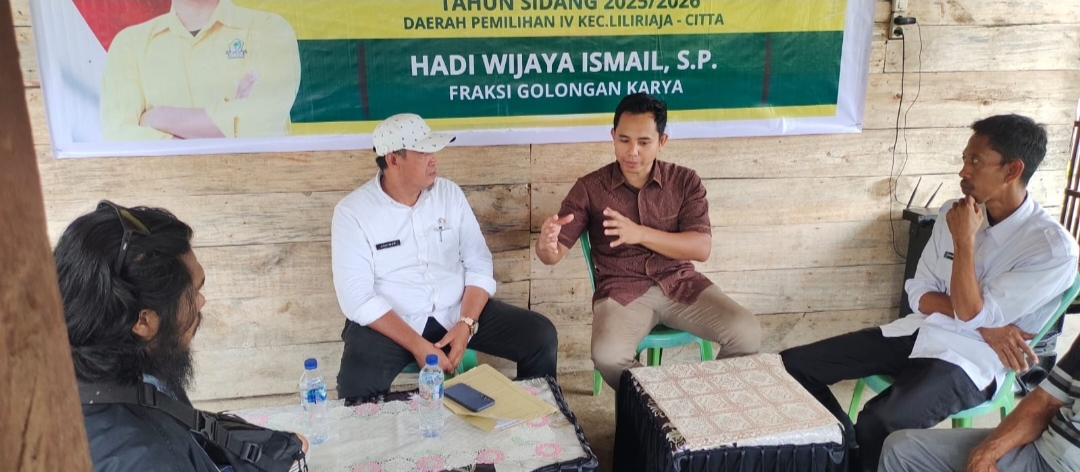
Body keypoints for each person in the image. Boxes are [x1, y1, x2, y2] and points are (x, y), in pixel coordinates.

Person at [780, 114, 1079, 472]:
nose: (963, 171)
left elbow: (970, 312)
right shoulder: (952, 212)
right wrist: (986, 324)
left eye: (975, 161)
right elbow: (919, 293)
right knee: (792, 367)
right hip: (920, 330)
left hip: (970, 360)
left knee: (879, 421)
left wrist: (964, 242)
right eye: (964, 159)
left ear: (1012, 169)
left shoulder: (1051, 249)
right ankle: (847, 451)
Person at [534, 92, 761, 391]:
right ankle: (661, 403)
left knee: (747, 333)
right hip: (622, 293)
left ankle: (702, 402)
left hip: (680, 284)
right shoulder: (590, 188)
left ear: (661, 141)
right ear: (613, 136)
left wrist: (640, 233)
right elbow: (552, 254)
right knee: (608, 356)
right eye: (624, 140)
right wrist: (546, 244)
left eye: (644, 142)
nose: (632, 152)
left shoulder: (685, 181)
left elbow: (701, 247)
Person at [58, 201, 307, 471]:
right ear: (144, 321)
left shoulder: (86, 377)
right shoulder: (151, 459)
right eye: (193, 292)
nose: (201, 302)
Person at [332, 113, 559, 403]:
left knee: (540, 336)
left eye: (433, 151)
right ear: (393, 160)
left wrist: (466, 324)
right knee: (356, 382)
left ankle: (536, 421)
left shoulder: (449, 194)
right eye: (423, 152)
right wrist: (418, 345)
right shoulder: (353, 212)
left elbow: (478, 263)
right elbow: (358, 298)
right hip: (393, 323)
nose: (434, 159)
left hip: (456, 311)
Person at [878, 329, 1080, 472]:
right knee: (898, 450)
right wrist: (987, 453)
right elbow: (1046, 402)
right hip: (1042, 448)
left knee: (885, 416)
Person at [100, 0, 301, 140]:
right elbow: (119, 136)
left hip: (255, 186)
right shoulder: (130, 45)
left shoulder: (269, 29)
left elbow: (260, 123)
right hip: (164, 188)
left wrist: (161, 117)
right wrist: (227, 126)